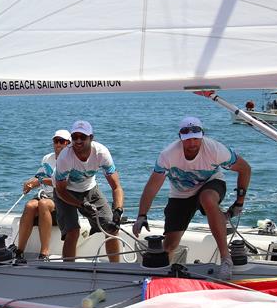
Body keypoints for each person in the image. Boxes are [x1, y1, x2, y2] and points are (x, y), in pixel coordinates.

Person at [132, 116, 251, 278]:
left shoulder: (215, 150)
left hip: (211, 184)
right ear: (180, 137)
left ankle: (225, 259)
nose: (192, 143)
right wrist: (142, 215)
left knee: (207, 198)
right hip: (180, 194)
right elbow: (152, 186)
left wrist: (239, 202)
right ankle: (165, 277)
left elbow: (245, 168)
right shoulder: (168, 155)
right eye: (188, 139)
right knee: (170, 244)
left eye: (196, 139)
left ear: (202, 135)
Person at [54, 120, 125, 262]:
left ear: (91, 138)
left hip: (90, 189)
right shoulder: (65, 158)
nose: (78, 140)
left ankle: (115, 268)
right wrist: (80, 205)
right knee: (73, 231)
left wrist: (118, 210)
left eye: (83, 137)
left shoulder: (101, 153)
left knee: (112, 228)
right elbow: (61, 191)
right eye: (75, 137)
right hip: (66, 193)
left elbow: (116, 186)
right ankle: (68, 269)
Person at [15, 129, 71, 261]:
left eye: (62, 141)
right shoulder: (47, 158)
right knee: (30, 205)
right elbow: (40, 175)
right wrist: (30, 183)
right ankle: (19, 250)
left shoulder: (71, 161)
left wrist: (39, 181)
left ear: (68, 144)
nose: (58, 144)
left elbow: (62, 183)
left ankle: (44, 252)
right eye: (56, 141)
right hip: (46, 195)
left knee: (43, 204)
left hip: (63, 197)